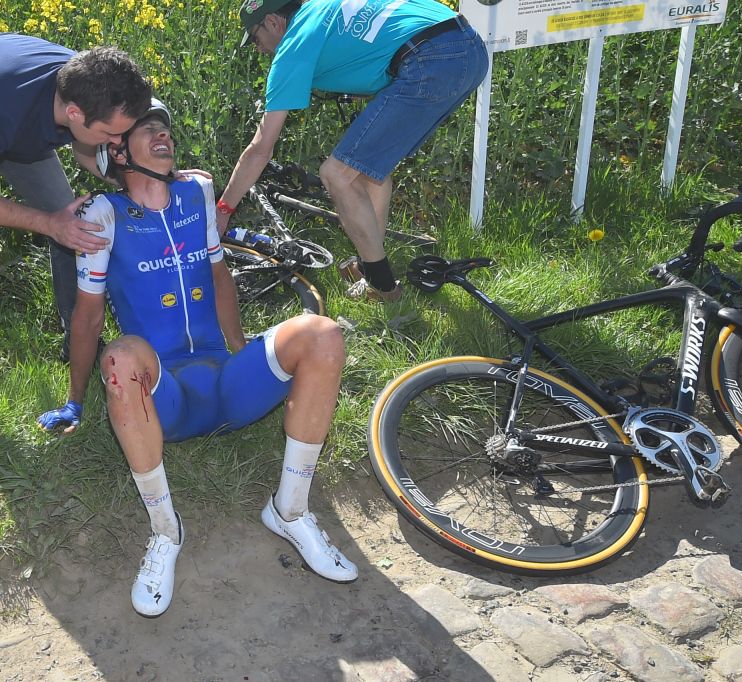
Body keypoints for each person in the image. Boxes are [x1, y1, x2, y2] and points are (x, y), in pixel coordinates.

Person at [37, 99, 358, 618]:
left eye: (166, 127)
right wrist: (76, 400)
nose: (163, 135)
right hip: (167, 399)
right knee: (120, 356)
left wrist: (239, 347)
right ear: (115, 150)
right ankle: (166, 530)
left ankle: (290, 510)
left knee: (321, 332)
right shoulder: (101, 213)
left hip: (228, 385)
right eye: (147, 130)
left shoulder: (198, 191)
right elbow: (88, 319)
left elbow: (218, 274)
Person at [216, 0, 488, 302]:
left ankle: (384, 288)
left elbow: (260, 150)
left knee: (337, 174)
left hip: (430, 58)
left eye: (255, 38)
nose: (259, 49)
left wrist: (223, 210)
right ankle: (370, 265)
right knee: (369, 171)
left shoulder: (293, 46)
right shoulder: (324, 8)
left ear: (272, 23)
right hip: (470, 47)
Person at [0, 34, 152, 358]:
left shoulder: (89, 83)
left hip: (21, 133)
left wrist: (143, 182)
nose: (117, 142)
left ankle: (79, 341)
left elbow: (87, 151)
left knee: (71, 225)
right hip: (9, 113)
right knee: (57, 223)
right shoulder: (10, 107)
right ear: (73, 113)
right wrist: (48, 223)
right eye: (111, 134)